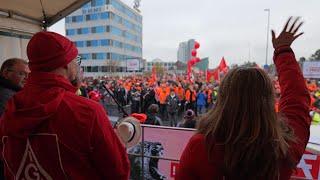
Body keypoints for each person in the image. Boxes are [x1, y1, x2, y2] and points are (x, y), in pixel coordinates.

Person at [176, 17, 310, 180]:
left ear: (224, 100)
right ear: (268, 100)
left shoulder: (201, 147)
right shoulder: (285, 145)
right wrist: (283, 51)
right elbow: (297, 101)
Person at [0, 31, 129, 179]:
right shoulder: (88, 111)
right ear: (66, 63)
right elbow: (118, 172)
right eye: (76, 60)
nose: (77, 64)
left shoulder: (11, 106)